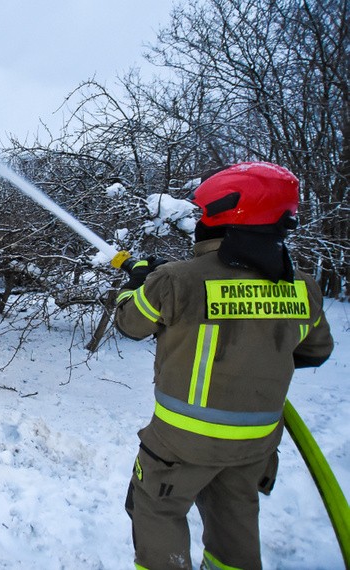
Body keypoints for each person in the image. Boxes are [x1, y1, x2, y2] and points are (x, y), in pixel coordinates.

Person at [114, 162, 334, 569]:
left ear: (222, 215)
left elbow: (131, 323)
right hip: (256, 444)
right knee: (235, 523)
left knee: (156, 511)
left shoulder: (176, 280)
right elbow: (315, 351)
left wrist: (138, 283)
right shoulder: (303, 287)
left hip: (179, 445)